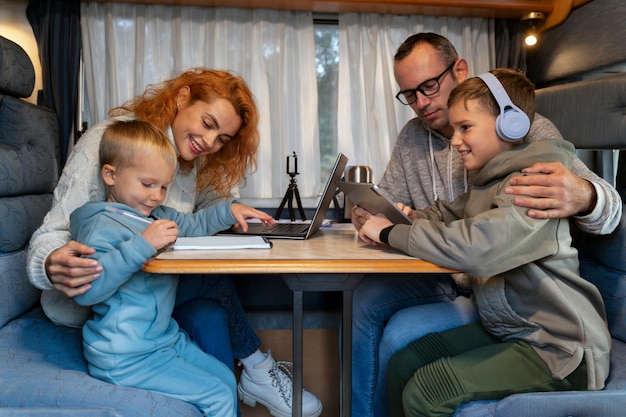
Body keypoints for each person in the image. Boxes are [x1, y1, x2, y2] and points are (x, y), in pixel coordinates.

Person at [349, 33, 622, 417]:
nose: (421, 101)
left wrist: (587, 195)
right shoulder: (489, 177)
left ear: (511, 127)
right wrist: (399, 216)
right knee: (403, 359)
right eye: (410, 94)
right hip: (509, 321)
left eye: (429, 86)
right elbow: (449, 211)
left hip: (559, 348)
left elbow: (476, 246)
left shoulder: (532, 178)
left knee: (427, 391)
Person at [27, 68, 323, 417]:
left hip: (149, 294)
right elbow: (55, 232)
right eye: (208, 123)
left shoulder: (189, 159)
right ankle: (257, 369)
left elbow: (191, 217)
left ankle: (245, 379)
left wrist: (231, 210)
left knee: (211, 314)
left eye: (223, 138)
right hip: (94, 300)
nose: (211, 143)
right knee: (214, 282)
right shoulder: (118, 142)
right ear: (182, 98)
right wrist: (50, 263)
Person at [71, 119, 276, 416]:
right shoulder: (101, 226)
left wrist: (227, 210)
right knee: (218, 395)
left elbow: (193, 224)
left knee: (224, 378)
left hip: (163, 340)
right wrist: (142, 245)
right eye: (147, 184)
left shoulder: (154, 216)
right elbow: (88, 291)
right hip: (125, 356)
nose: (156, 196)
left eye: (164, 187)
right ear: (110, 175)